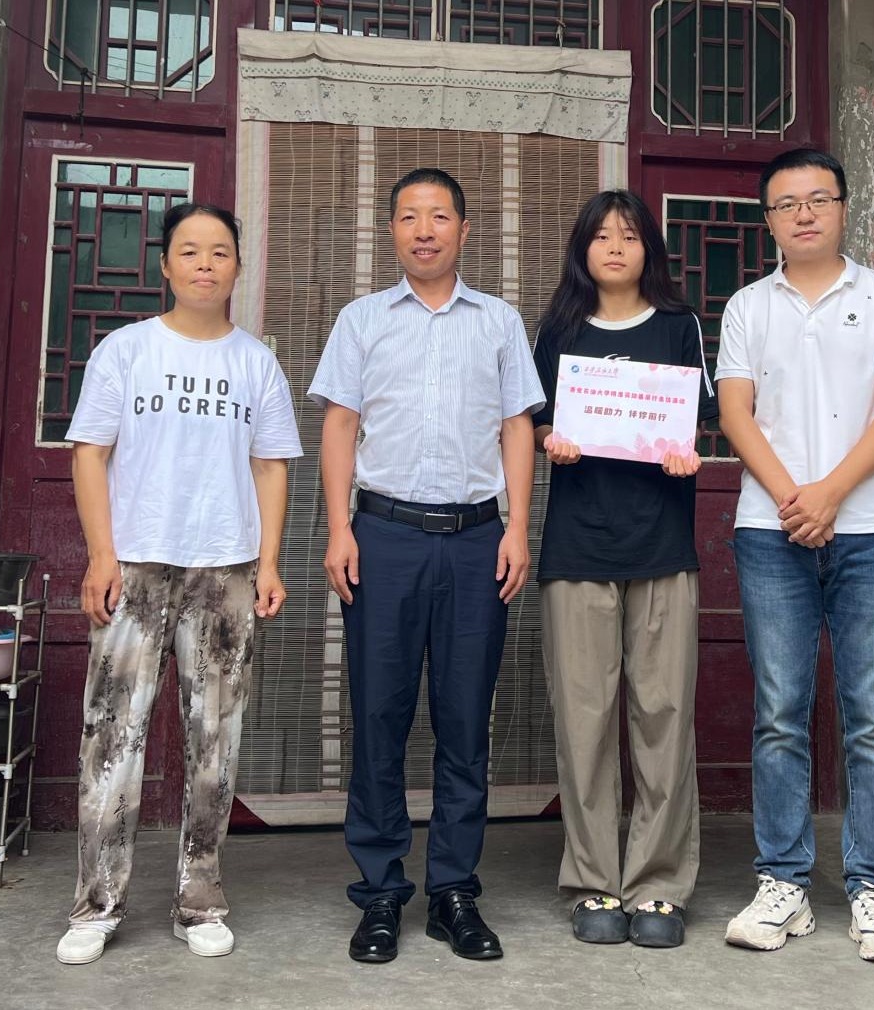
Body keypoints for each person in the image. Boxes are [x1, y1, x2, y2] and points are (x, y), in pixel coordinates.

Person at [55, 203, 303, 965]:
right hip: (134, 566)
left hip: (225, 572)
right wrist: (102, 555)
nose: (204, 264)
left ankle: (200, 901)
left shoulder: (255, 363)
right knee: (111, 738)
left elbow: (270, 467)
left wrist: (267, 561)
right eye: (189, 251)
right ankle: (96, 905)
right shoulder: (126, 350)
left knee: (215, 742)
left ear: (237, 267)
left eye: (219, 251)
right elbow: (89, 453)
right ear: (165, 265)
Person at [307, 168, 543, 963]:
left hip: (478, 541)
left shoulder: (499, 321)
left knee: (464, 719)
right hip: (384, 537)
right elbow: (340, 427)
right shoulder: (362, 320)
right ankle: (379, 893)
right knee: (379, 715)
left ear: (464, 230)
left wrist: (518, 527)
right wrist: (339, 530)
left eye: (439, 216)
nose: (424, 230)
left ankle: (452, 892)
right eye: (409, 216)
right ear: (392, 231)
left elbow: (518, 427)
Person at [716, 149, 874, 962]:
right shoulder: (747, 306)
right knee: (780, 713)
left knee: (872, 717)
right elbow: (736, 414)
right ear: (768, 220)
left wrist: (831, 495)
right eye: (786, 203)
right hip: (770, 532)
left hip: (871, 531)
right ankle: (785, 884)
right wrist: (796, 501)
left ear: (842, 208)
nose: (803, 213)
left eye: (818, 198)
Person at [532, 190, 717, 948]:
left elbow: (698, 420)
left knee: (663, 717)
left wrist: (686, 453)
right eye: (602, 235)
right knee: (584, 721)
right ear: (583, 248)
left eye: (630, 235)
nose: (615, 246)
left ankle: (659, 886)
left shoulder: (678, 326)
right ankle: (594, 883)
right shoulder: (560, 330)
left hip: (661, 545)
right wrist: (551, 437)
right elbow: (534, 420)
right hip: (577, 545)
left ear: (650, 250)